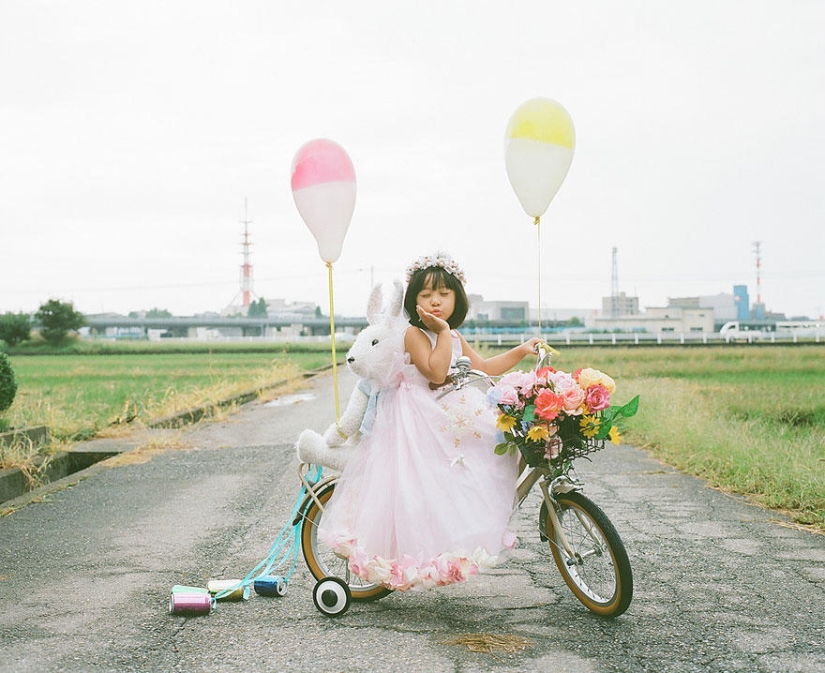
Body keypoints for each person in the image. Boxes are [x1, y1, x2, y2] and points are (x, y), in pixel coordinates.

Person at [318, 252, 541, 591]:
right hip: (418, 414)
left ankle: (469, 530)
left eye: (443, 294)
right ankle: (422, 557)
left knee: (496, 446)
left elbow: (484, 367)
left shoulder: (451, 334)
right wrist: (443, 330)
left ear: (456, 297)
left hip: (447, 408)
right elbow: (436, 372)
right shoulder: (414, 334)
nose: (435, 302)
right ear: (413, 301)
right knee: (425, 486)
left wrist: (521, 350)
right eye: (425, 295)